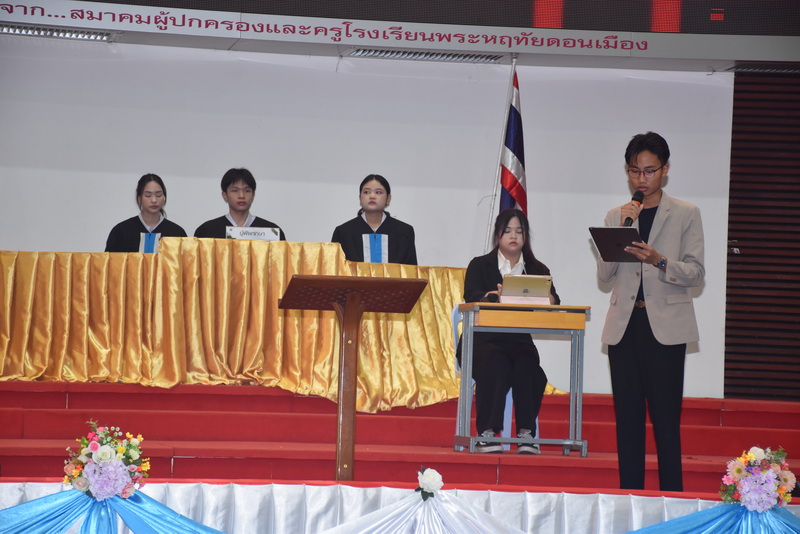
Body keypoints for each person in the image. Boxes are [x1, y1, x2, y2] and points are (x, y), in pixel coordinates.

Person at [597, 132, 705, 491]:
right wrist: (620, 228)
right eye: (634, 171)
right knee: (627, 421)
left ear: (665, 170)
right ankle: (630, 498)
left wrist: (659, 259)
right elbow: (605, 276)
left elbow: (696, 273)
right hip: (625, 328)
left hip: (666, 328)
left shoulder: (686, 213)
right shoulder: (617, 215)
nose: (641, 179)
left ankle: (672, 498)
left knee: (665, 421)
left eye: (649, 171)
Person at [460, 208, 560, 454]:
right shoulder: (480, 264)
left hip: (518, 340)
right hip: (481, 340)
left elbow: (555, 301)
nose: (513, 236)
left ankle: (526, 434)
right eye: (507, 231)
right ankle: (487, 433)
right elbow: (470, 296)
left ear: (526, 236)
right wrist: (493, 296)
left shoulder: (536, 268)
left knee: (530, 369)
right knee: (496, 365)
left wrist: (543, 297)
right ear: (498, 234)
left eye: (519, 231)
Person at [331, 174, 417, 265]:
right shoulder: (343, 232)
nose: (372, 196)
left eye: (378, 192)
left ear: (388, 198)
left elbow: (410, 270)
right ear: (360, 198)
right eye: (366, 192)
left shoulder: (404, 232)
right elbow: (334, 269)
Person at [194, 168, 286, 240]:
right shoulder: (207, 230)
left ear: (253, 195)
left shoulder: (271, 231)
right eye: (235, 190)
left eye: (247, 190)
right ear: (225, 195)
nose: (241, 195)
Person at [105, 173, 187, 253]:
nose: (154, 200)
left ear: (164, 197)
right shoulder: (121, 232)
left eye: (158, 195)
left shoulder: (177, 234)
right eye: (148, 195)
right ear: (139, 198)